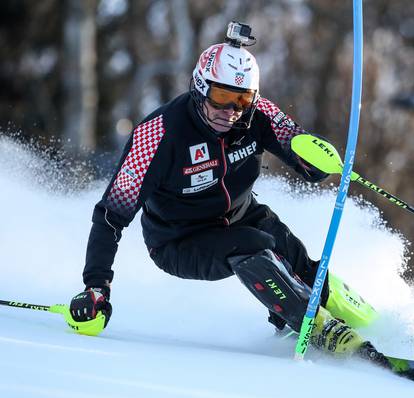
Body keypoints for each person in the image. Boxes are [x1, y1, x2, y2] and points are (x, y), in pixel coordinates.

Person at [68, 22, 378, 357]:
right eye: (221, 97)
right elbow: (111, 215)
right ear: (200, 88)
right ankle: (319, 328)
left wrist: (317, 161)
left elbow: (302, 157)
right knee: (255, 246)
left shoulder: (259, 115)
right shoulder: (156, 135)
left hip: (242, 216)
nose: (230, 111)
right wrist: (96, 286)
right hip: (179, 241)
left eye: (242, 100)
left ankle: (372, 324)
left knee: (299, 261)